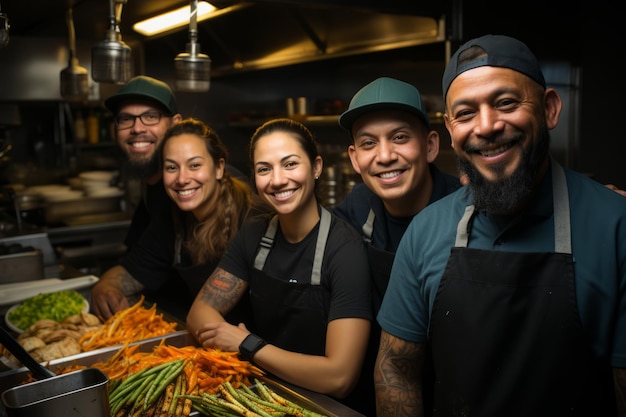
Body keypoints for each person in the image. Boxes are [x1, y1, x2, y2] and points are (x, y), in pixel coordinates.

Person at [375, 34, 626, 417]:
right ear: (450, 131)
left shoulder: (615, 226)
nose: (487, 126)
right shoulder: (426, 230)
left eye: (506, 103)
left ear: (550, 109)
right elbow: (396, 368)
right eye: (465, 113)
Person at [186, 118, 373, 410]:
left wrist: (247, 345)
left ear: (317, 167)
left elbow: (339, 377)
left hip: (327, 408)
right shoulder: (253, 234)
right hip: (266, 398)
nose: (277, 180)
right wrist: (234, 343)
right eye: (264, 169)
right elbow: (199, 313)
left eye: (290, 164)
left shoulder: (344, 251)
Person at [334, 76, 462, 416]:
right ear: (355, 158)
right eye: (368, 143)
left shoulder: (466, 209)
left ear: (431, 145)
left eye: (400, 137)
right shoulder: (357, 206)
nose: (385, 156)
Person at [90, 75, 246, 320]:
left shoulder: (244, 208)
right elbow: (138, 264)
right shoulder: (171, 207)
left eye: (150, 116)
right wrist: (104, 286)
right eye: (126, 119)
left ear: (219, 168)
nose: (137, 128)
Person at [121, 118, 262, 321]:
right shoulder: (173, 217)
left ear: (219, 168)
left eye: (194, 165)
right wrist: (107, 288)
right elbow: (130, 272)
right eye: (171, 168)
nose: (182, 179)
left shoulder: (253, 219)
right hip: (215, 343)